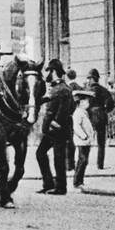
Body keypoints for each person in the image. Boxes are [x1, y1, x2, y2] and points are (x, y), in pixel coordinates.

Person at [36, 59, 73, 196]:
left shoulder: (63, 89)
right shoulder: (56, 88)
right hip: (52, 131)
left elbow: (66, 109)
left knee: (58, 158)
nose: (48, 75)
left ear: (54, 71)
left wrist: (56, 123)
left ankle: (61, 188)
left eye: (49, 71)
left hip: (58, 130)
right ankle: (48, 184)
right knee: (40, 153)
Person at [86, 68, 114, 170]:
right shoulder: (104, 90)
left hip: (89, 118)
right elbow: (111, 104)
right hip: (101, 117)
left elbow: (84, 104)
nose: (88, 81)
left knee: (85, 141)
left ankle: (84, 163)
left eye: (89, 78)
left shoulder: (87, 91)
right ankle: (100, 164)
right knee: (101, 142)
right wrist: (105, 111)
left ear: (93, 79)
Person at [71, 88, 94, 189]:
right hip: (82, 141)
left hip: (86, 141)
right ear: (80, 102)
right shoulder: (78, 113)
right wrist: (84, 136)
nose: (88, 103)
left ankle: (80, 180)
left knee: (84, 160)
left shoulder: (83, 112)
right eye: (86, 101)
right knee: (82, 160)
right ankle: (77, 181)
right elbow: (76, 126)